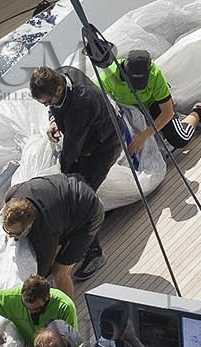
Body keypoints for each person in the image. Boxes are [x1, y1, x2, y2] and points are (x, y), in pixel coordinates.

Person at [30, 65, 121, 282]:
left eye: (47, 102)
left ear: (59, 89)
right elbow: (58, 111)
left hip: (102, 148)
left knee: (79, 201)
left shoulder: (82, 104)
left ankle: (95, 253)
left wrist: (62, 181)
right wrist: (53, 119)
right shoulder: (63, 72)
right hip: (85, 144)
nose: (46, 105)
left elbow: (72, 148)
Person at [96, 48, 201, 160]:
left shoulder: (154, 75)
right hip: (130, 112)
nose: (137, 88)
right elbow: (95, 100)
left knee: (179, 139)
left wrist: (143, 137)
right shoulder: (109, 77)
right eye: (133, 83)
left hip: (154, 106)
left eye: (141, 83)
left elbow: (167, 112)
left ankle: (199, 112)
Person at [0, 173, 106, 299]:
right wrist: (10, 233)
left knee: (59, 272)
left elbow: (41, 272)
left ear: (30, 225)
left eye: (16, 234)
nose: (11, 236)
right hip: (69, 190)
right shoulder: (12, 195)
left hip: (89, 213)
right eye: (7, 230)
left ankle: (67, 313)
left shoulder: (45, 230)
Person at [0, 273, 78, 347]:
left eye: (36, 309)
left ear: (47, 298)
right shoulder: (10, 298)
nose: (30, 311)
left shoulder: (64, 306)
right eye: (25, 306)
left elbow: (70, 343)